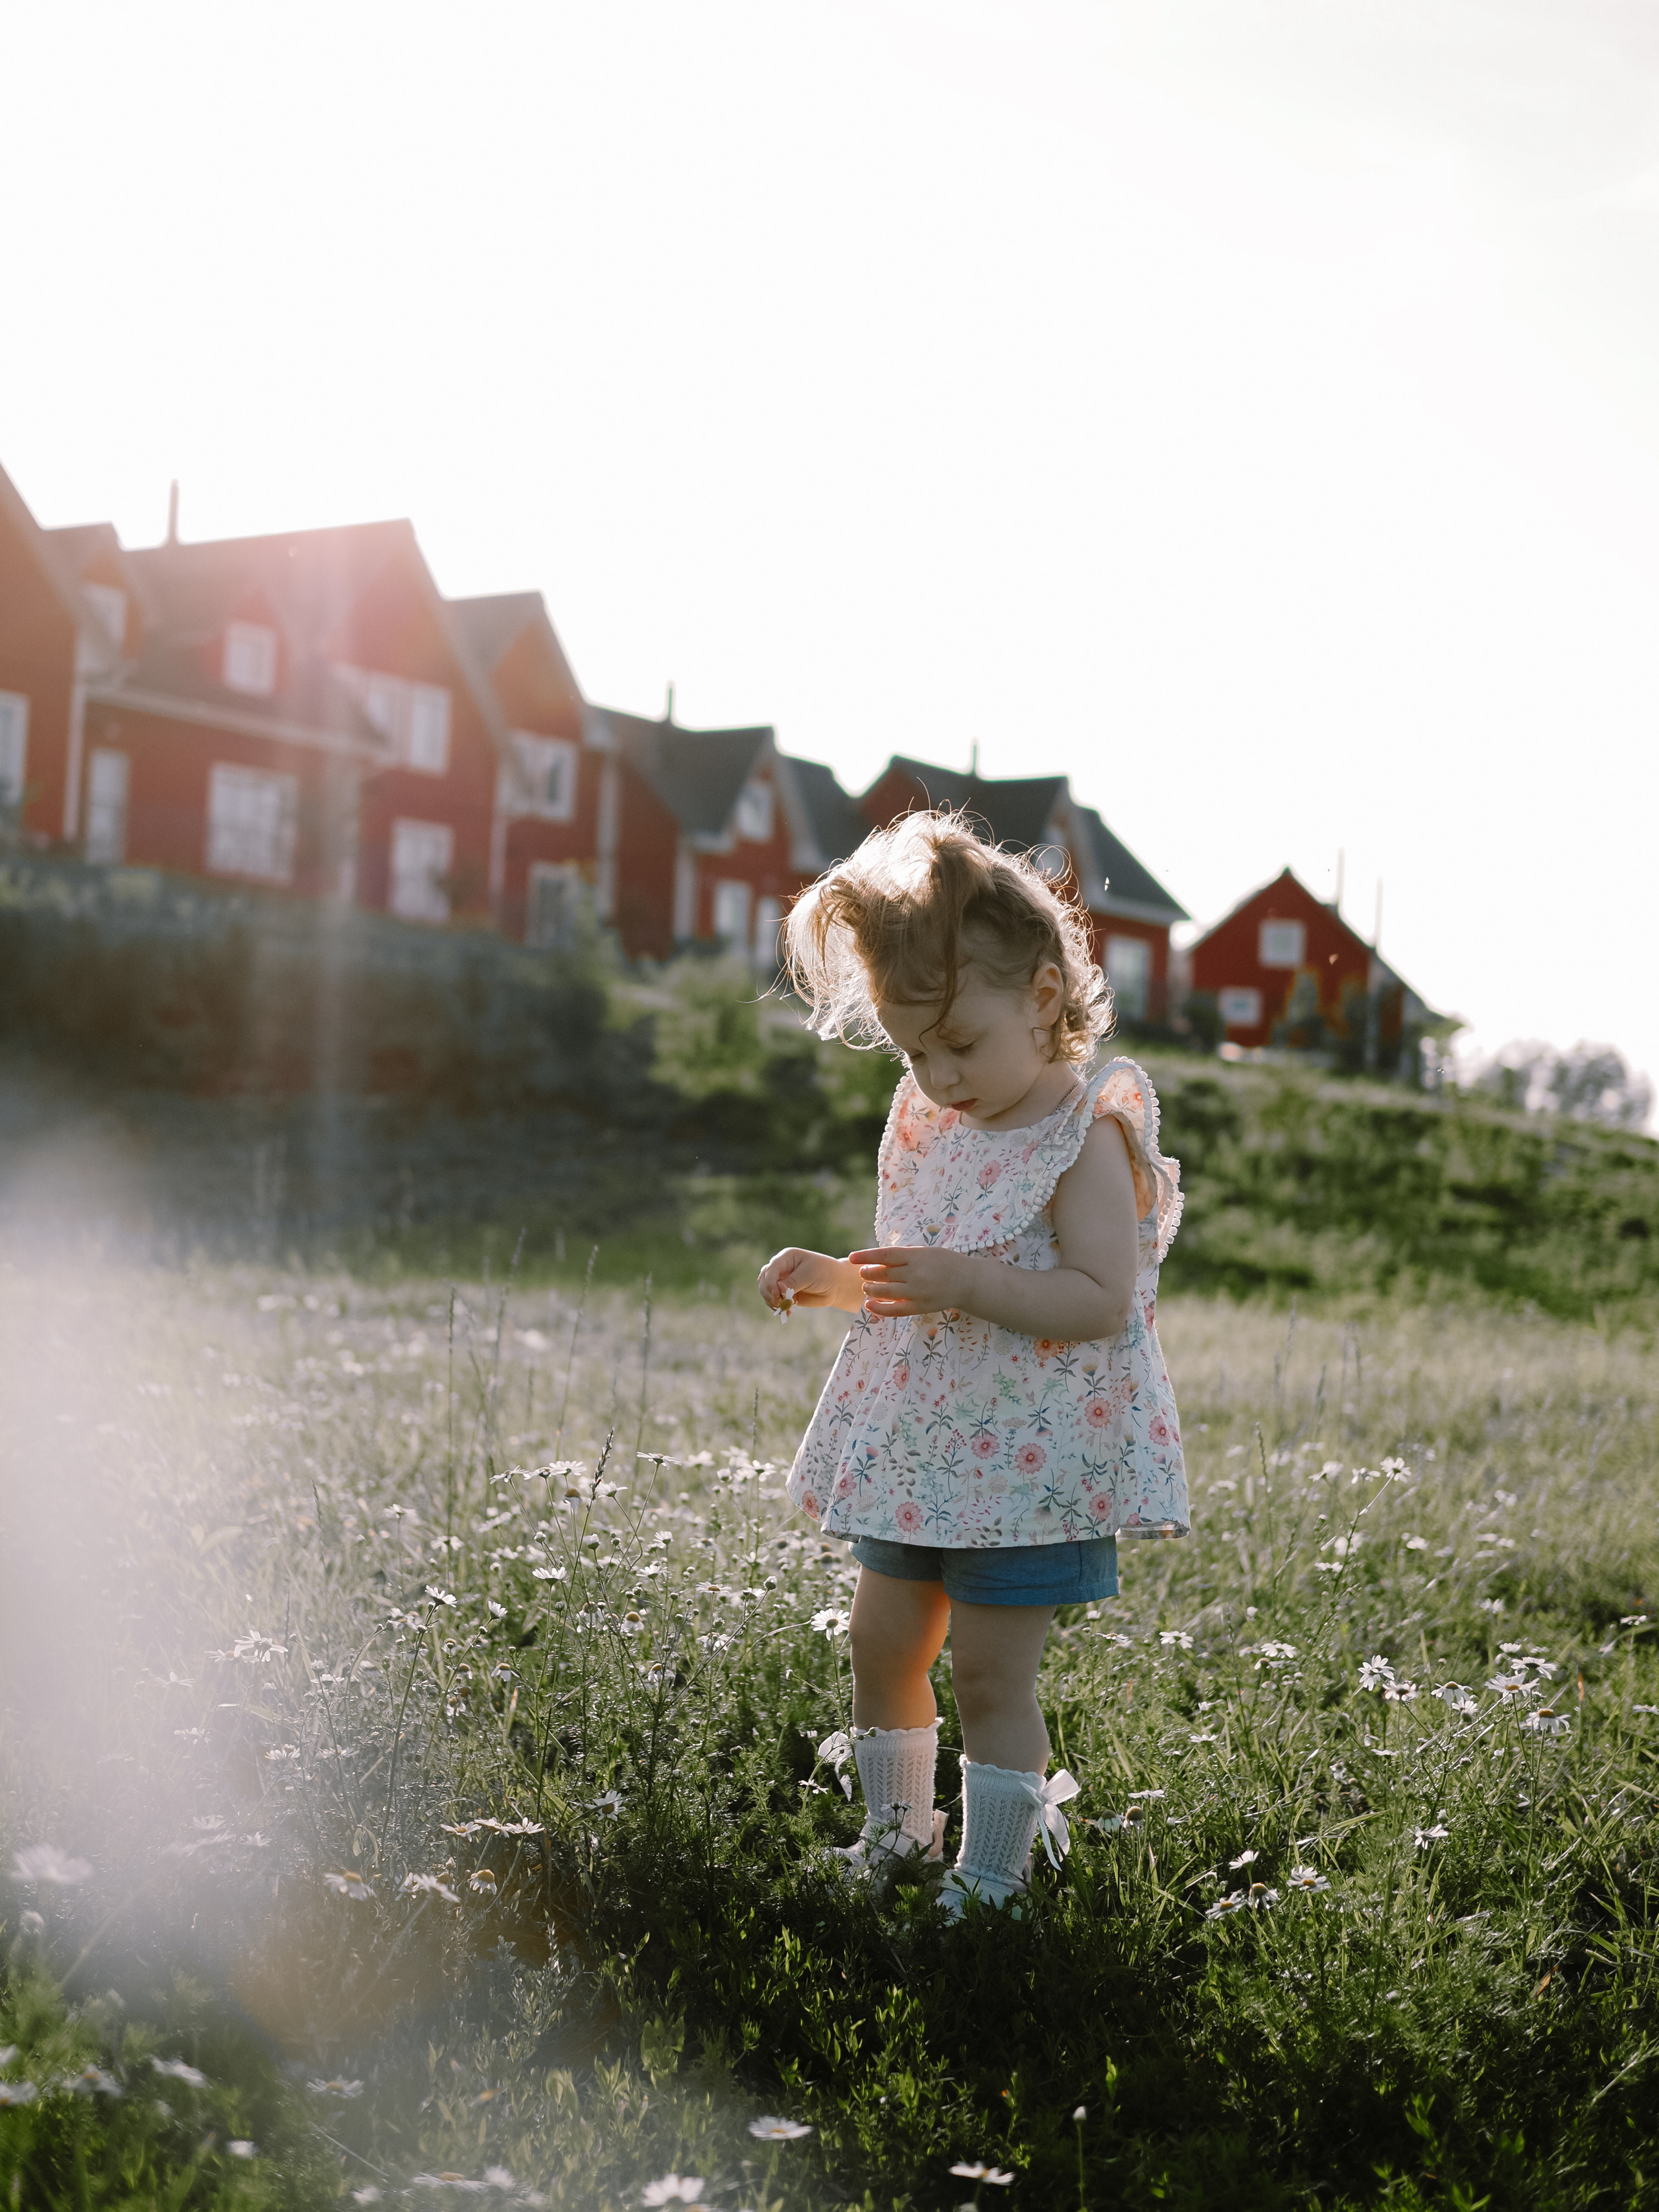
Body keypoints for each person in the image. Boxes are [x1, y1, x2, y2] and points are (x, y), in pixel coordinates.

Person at [759, 810, 1189, 1915]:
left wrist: (962, 1282)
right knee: (881, 1638)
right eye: (915, 1050)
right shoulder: (939, 1117)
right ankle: (895, 1836)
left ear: (1045, 997)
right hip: (919, 1447)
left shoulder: (1085, 1131)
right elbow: (921, 1273)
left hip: (1029, 1469)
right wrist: (838, 1276)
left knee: (992, 1672)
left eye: (959, 1043)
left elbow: (1101, 1301)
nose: (939, 1075)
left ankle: (994, 1874)